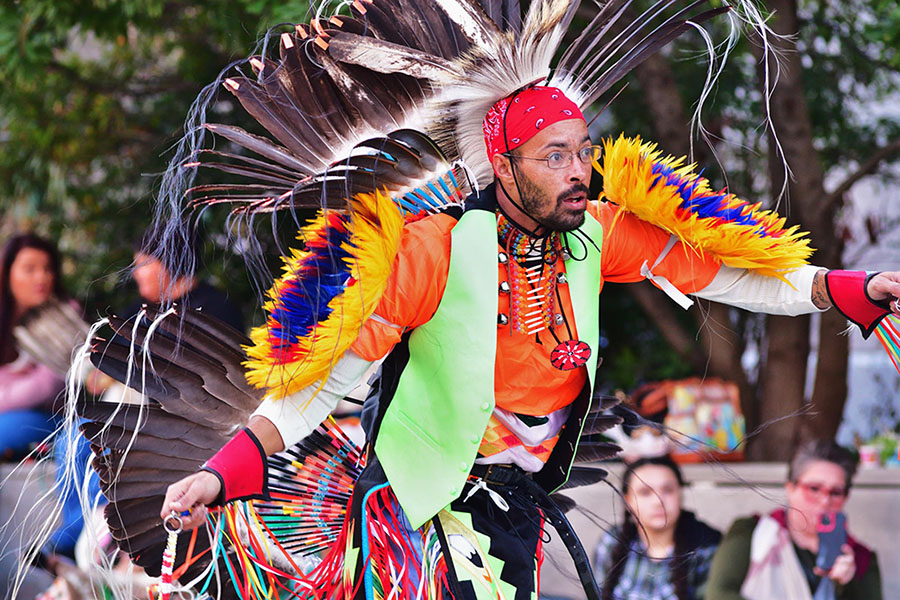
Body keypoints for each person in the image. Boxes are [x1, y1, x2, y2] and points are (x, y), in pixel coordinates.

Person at [56, 2, 900, 599]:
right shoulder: (430, 251)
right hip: (426, 503)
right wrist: (223, 469)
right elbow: (331, 377)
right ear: (505, 167)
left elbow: (721, 271)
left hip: (519, 498)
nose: (580, 172)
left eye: (585, 152)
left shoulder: (600, 232)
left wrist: (841, 290)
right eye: (556, 157)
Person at [704, 440, 882, 600]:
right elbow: (718, 594)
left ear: (845, 497)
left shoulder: (860, 558)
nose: (825, 501)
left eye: (835, 492)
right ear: (790, 488)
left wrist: (845, 584)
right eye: (814, 489)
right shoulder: (751, 533)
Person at [595, 456, 721, 600]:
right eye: (645, 492)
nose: (658, 501)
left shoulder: (706, 549)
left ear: (680, 494)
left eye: (667, 490)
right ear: (628, 501)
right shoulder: (611, 543)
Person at [0, 234, 68, 459]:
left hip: (51, 419)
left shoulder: (64, 317)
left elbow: (51, 383)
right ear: (8, 272)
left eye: (48, 269)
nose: (42, 277)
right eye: (29, 269)